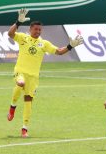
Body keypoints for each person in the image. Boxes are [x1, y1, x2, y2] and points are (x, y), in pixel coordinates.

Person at [7, 8, 84, 137]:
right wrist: (18, 22)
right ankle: (12, 107)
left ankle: (24, 128)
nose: (37, 31)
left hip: (34, 77)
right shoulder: (22, 38)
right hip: (20, 71)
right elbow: (10, 34)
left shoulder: (44, 44)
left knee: (28, 100)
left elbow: (59, 52)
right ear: (30, 29)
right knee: (20, 83)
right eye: (35, 29)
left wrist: (71, 46)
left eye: (39, 30)